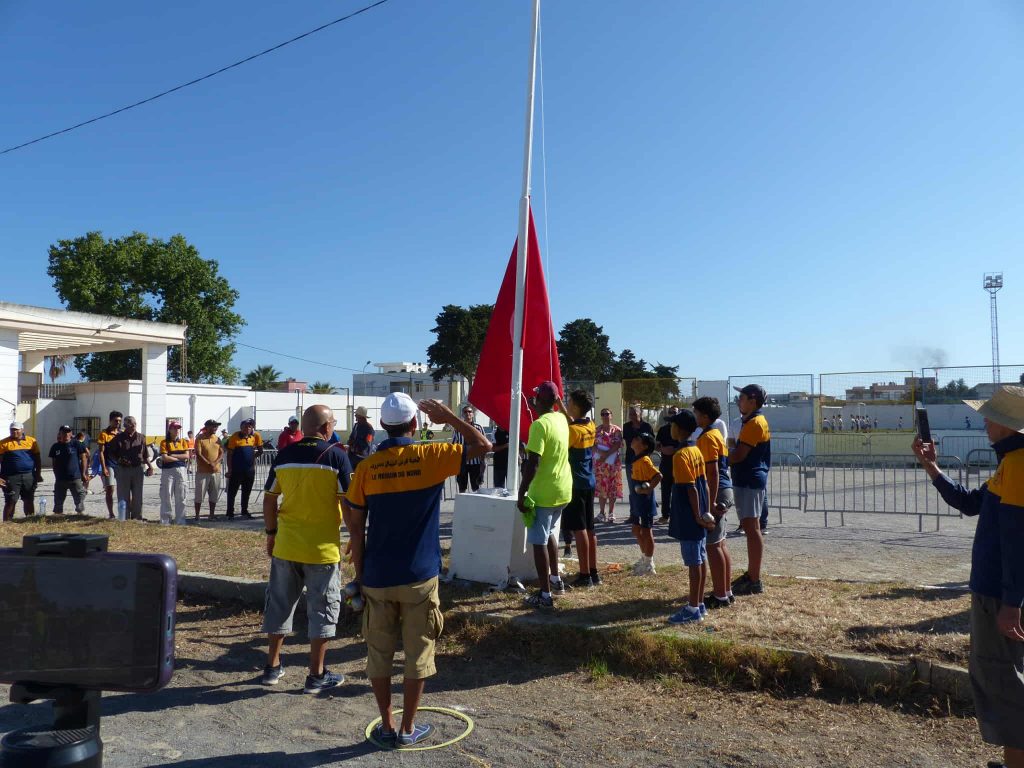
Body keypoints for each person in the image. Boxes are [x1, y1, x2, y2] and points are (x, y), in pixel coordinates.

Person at [343, 394, 490, 747]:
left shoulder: (366, 468)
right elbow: (482, 445)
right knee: (418, 653)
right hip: (419, 576)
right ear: (415, 424)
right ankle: (408, 729)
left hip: (377, 577)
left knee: (379, 654)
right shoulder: (432, 456)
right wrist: (449, 417)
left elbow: (356, 532)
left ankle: (387, 726)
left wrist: (360, 579)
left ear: (382, 425)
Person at [913, 385, 1024, 768]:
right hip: (1001, 591)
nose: (985, 424)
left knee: (1006, 683)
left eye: (991, 417)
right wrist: (931, 466)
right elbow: (971, 502)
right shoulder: (1011, 463)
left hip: (998, 594)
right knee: (1009, 679)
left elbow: (1017, 541)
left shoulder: (1018, 466)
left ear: (1009, 426)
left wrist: (1012, 603)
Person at [261, 404, 353, 694]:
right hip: (322, 550)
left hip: (286, 545)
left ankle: (272, 667)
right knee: (322, 610)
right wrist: (356, 537)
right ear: (326, 427)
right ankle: (316, 674)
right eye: (333, 423)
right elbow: (348, 503)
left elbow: (269, 499)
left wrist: (271, 534)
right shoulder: (337, 456)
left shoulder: (284, 455)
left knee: (279, 605)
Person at [518, 381, 573, 609]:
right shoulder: (560, 419)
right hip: (563, 489)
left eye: (535, 398)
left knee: (538, 542)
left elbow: (533, 463)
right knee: (550, 533)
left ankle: (545, 595)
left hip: (543, 493)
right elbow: (566, 418)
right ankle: (555, 580)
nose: (532, 401)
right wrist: (550, 404)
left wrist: (522, 492)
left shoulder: (539, 425)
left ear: (539, 400)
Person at [666, 409, 715, 624]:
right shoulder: (696, 450)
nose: (670, 428)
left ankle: (693, 608)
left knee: (694, 563)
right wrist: (706, 513)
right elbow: (704, 484)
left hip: (689, 515)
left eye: (673, 424)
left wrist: (696, 515)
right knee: (700, 559)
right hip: (699, 513)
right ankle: (699, 603)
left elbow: (691, 488)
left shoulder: (680, 455)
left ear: (679, 429)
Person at [729, 384, 771, 596]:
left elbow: (738, 455)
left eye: (742, 397)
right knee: (750, 526)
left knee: (752, 528)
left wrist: (717, 456)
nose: (739, 400)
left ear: (753, 402)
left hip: (750, 480)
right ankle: (752, 575)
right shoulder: (750, 421)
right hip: (745, 479)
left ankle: (754, 579)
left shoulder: (755, 423)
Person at [693, 397, 734, 609]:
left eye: (696, 413)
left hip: (717, 492)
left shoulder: (708, 437)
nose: (695, 416)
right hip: (725, 490)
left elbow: (713, 473)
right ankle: (726, 591)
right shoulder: (715, 433)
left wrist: (710, 503)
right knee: (720, 543)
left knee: (712, 546)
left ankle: (720, 596)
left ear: (705, 416)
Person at [559, 389, 601, 588]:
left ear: (575, 406)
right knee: (590, 529)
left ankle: (584, 575)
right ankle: (593, 571)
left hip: (575, 482)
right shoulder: (590, 425)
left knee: (579, 529)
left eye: (568, 402)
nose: (567, 404)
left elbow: (565, 442)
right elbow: (573, 421)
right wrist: (560, 405)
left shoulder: (572, 432)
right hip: (588, 481)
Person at [107, 416, 154, 520]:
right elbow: (110, 451)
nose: (133, 426)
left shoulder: (141, 437)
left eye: (135, 423)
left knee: (138, 495)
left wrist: (150, 467)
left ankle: (137, 517)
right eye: (131, 424)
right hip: (123, 470)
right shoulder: (119, 438)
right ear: (125, 425)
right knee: (123, 495)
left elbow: (145, 454)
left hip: (138, 469)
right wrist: (118, 460)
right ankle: (124, 518)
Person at [628, 432, 661, 575]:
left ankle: (649, 564)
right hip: (636, 500)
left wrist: (648, 489)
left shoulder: (645, 460)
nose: (633, 439)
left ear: (645, 446)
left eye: (638, 439)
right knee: (636, 530)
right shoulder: (637, 459)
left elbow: (658, 476)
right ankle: (644, 558)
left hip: (644, 502)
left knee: (646, 531)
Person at [1, 422, 43, 520]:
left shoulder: (32, 441)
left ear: (22, 430)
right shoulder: (3, 443)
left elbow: (37, 458)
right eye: (12, 430)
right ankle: (7, 523)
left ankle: (30, 521)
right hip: (11, 477)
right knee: (11, 500)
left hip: (29, 476)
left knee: (29, 500)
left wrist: (38, 473)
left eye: (16, 429)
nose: (14, 431)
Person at [226, 419, 263, 519]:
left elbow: (260, 451)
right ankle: (230, 512)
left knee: (247, 491)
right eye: (245, 426)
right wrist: (230, 469)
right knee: (232, 492)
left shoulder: (254, 437)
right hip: (237, 470)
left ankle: (244, 511)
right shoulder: (235, 436)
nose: (248, 428)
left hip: (249, 470)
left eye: (250, 427)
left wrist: (251, 457)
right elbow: (229, 455)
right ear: (241, 427)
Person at [49, 425, 88, 515]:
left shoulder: (76, 444)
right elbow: (54, 463)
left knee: (80, 496)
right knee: (58, 500)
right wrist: (56, 475)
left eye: (68, 432)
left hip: (75, 477)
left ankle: (80, 514)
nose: (66, 434)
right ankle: (58, 516)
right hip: (60, 478)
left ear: (71, 433)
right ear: (60, 433)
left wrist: (83, 473)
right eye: (64, 432)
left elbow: (84, 458)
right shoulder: (55, 446)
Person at [594, 408, 623, 523]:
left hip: (613, 463)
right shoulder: (597, 430)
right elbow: (592, 444)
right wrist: (601, 454)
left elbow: (617, 444)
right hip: (600, 464)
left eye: (607, 414)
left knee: (612, 487)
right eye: (603, 414)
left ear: (611, 415)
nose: (605, 416)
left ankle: (611, 512)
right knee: (602, 487)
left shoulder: (617, 430)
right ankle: (602, 512)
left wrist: (606, 454)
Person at [158, 421, 191, 525]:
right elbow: (165, 458)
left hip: (181, 470)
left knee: (181, 495)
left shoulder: (183, 441)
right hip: (168, 471)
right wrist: (179, 458)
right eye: (174, 428)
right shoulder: (164, 442)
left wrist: (173, 456)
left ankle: (180, 520)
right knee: (166, 495)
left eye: (178, 428)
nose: (177, 430)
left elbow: (187, 456)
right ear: (170, 429)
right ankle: (165, 520)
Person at [622, 405, 654, 503]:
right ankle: (634, 511)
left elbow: (652, 443)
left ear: (640, 414)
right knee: (633, 488)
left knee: (645, 486)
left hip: (644, 461)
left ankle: (647, 508)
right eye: (630, 414)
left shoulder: (647, 426)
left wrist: (647, 456)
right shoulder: (626, 427)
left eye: (634, 414)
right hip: (630, 461)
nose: (632, 416)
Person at [655, 406, 681, 524]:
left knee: (678, 492)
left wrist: (674, 450)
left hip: (679, 464)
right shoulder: (663, 429)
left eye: (674, 412)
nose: (672, 414)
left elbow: (687, 444)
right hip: (665, 464)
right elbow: (656, 445)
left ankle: (677, 516)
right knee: (665, 491)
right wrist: (663, 449)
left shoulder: (682, 429)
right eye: (670, 412)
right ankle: (665, 516)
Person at [451, 405, 486, 492]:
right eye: (465, 412)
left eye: (470, 411)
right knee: (462, 488)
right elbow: (453, 446)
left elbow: (484, 445)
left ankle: (476, 501)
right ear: (462, 415)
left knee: (476, 488)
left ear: (473, 414)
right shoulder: (458, 428)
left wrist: (482, 462)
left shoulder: (479, 428)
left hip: (476, 463)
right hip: (462, 463)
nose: (468, 414)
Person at [193, 419, 223, 520]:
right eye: (213, 426)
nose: (215, 428)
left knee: (214, 494)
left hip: (216, 471)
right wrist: (209, 463)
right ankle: (197, 515)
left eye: (216, 426)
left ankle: (212, 515)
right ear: (207, 427)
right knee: (199, 495)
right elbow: (198, 453)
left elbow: (221, 452)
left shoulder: (217, 439)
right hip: (203, 472)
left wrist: (215, 463)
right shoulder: (200, 438)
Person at [96, 411, 123, 519]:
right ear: (110, 420)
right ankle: (111, 513)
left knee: (124, 489)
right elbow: (101, 452)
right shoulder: (104, 434)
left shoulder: (122, 434)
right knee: (110, 489)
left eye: (120, 421)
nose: (118, 423)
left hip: (121, 465)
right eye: (116, 420)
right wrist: (103, 467)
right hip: (109, 464)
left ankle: (125, 513)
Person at [347, 406, 376, 471]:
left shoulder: (369, 429)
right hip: (352, 456)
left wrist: (356, 444)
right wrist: (350, 442)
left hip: (362, 458)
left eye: (356, 415)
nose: (355, 417)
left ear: (362, 417)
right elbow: (351, 437)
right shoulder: (356, 426)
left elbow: (367, 444)